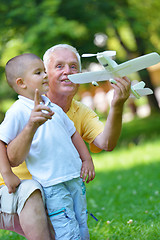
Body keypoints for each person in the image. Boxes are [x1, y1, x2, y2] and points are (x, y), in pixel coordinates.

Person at [0, 43, 131, 238]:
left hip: (57, 185)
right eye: (59, 66)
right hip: (17, 191)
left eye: (73, 67)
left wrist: (117, 105)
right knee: (39, 198)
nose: (67, 72)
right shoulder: (22, 110)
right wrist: (31, 127)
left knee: (76, 227)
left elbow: (105, 142)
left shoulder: (67, 111)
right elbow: (11, 157)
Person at [0, 53, 95, 240]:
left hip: (74, 177)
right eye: (38, 72)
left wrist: (86, 159)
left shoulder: (54, 107)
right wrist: (7, 173)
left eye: (44, 71)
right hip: (51, 183)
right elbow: (1, 141)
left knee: (81, 220)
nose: (45, 75)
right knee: (65, 225)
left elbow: (73, 133)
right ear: (21, 83)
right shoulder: (18, 111)